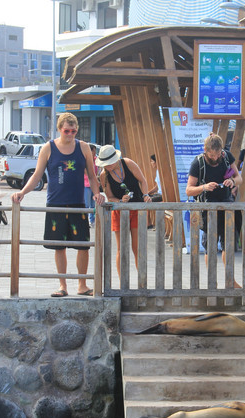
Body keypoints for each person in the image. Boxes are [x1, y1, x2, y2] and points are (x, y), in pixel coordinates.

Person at [10, 112, 104, 297]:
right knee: (59, 246)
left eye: (73, 131)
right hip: (56, 203)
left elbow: (92, 176)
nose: (70, 135)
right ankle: (62, 285)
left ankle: (82, 284)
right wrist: (22, 192)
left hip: (77, 203)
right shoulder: (48, 148)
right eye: (66, 131)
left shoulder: (83, 147)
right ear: (60, 129)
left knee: (83, 246)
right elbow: (37, 175)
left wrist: (96, 193)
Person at [185, 133, 243, 282]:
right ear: (205, 150)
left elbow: (239, 178)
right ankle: (212, 281)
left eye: (218, 154)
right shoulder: (198, 163)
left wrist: (232, 181)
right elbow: (189, 190)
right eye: (212, 155)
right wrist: (204, 187)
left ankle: (230, 281)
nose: (216, 158)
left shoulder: (226, 156)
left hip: (227, 205)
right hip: (208, 209)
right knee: (210, 246)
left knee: (228, 245)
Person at [96, 145, 152, 276]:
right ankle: (123, 282)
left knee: (137, 248)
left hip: (137, 208)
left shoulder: (127, 163)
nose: (107, 166)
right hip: (120, 211)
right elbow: (110, 197)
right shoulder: (104, 175)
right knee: (122, 248)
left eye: (109, 163)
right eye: (105, 164)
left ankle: (142, 280)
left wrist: (145, 195)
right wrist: (120, 200)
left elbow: (143, 181)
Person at [84, 144, 98, 226]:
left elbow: (98, 170)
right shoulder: (85, 160)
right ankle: (85, 221)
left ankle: (92, 220)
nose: (95, 153)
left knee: (93, 204)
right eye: (94, 151)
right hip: (86, 184)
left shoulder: (96, 160)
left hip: (94, 185)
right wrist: (94, 177)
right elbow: (86, 172)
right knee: (86, 204)